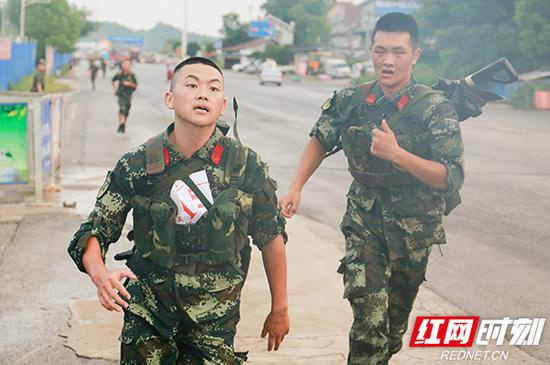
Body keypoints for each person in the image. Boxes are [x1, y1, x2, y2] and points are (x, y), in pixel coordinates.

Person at [68, 56, 290, 364]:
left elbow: (271, 236)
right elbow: (95, 229)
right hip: (149, 309)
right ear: (169, 98)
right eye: (192, 85)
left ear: (222, 105)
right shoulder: (138, 164)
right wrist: (100, 275)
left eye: (213, 89)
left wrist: (280, 308)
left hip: (215, 316)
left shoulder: (245, 165)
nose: (202, 94)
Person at [279, 12, 464, 365]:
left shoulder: (435, 109)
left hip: (414, 229)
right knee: (369, 323)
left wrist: (398, 155)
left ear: (415, 55)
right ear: (371, 51)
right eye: (380, 51)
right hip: (364, 220)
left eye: (397, 51)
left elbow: (450, 176)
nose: (388, 61)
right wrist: (296, 187)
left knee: (391, 329)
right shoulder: (351, 100)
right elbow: (320, 139)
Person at [112, 59, 138, 133]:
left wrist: (129, 84)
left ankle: (122, 124)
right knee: (122, 108)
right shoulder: (120, 74)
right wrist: (114, 89)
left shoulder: (132, 75)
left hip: (128, 96)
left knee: (126, 111)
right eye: (124, 64)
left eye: (128, 64)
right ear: (122, 65)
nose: (126, 66)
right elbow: (113, 80)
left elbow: (136, 86)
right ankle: (121, 124)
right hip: (120, 95)